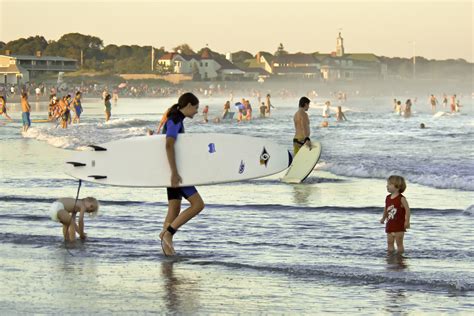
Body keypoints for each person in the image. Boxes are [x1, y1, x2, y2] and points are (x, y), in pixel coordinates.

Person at [160, 92, 205, 256]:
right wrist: (174, 173)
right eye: (196, 108)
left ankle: (166, 246)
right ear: (188, 106)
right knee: (198, 205)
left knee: (174, 209)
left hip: (170, 170)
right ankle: (168, 234)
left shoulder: (175, 118)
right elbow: (168, 145)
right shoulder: (175, 120)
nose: (197, 111)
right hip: (175, 172)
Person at [380, 175, 411, 254]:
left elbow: (407, 210)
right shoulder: (387, 198)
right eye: (387, 184)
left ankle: (400, 257)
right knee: (389, 242)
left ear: (397, 186)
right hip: (390, 224)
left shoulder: (401, 198)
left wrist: (407, 221)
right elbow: (386, 208)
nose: (387, 186)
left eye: (390, 184)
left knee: (399, 243)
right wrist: (383, 218)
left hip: (399, 225)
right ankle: (390, 257)